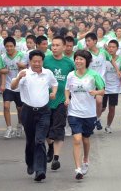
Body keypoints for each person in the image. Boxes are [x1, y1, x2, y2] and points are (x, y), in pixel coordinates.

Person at [11, 50, 58, 182]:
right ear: (30, 62)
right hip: (28, 112)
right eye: (34, 61)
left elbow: (54, 84)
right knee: (31, 140)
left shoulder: (47, 73)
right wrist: (19, 77)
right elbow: (13, 86)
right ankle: (30, 162)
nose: (37, 64)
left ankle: (40, 170)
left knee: (39, 140)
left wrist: (53, 93)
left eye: (39, 61)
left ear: (42, 61)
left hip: (44, 111)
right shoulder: (24, 74)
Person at [65, 50, 105, 180]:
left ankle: (86, 159)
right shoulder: (71, 75)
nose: (78, 61)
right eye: (76, 59)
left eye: (81, 59)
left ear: (87, 62)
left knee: (85, 139)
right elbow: (67, 88)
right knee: (77, 139)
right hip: (74, 112)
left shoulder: (94, 75)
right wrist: (67, 99)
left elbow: (103, 91)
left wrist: (96, 92)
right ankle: (78, 168)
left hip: (89, 113)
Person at [43, 36, 75, 171]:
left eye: (57, 45)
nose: (54, 47)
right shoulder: (45, 60)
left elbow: (74, 79)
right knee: (46, 130)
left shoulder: (69, 63)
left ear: (63, 47)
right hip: (44, 101)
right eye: (53, 45)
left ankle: (56, 158)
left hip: (62, 101)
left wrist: (70, 97)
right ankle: (50, 146)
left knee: (59, 128)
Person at [0, 37, 26, 139]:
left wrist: (22, 66)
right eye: (7, 46)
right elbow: (1, 70)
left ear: (15, 46)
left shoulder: (21, 55)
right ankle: (9, 128)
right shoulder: (2, 57)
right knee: (6, 106)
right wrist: (2, 83)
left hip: (19, 86)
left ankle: (19, 125)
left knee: (20, 108)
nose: (9, 48)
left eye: (11, 46)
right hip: (8, 85)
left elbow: (27, 67)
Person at [101, 40, 121, 133]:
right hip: (103, 86)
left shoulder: (120, 60)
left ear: (117, 49)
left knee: (112, 108)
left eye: (113, 47)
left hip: (114, 88)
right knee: (102, 107)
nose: (111, 49)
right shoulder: (103, 57)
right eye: (109, 47)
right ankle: (97, 119)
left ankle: (108, 126)